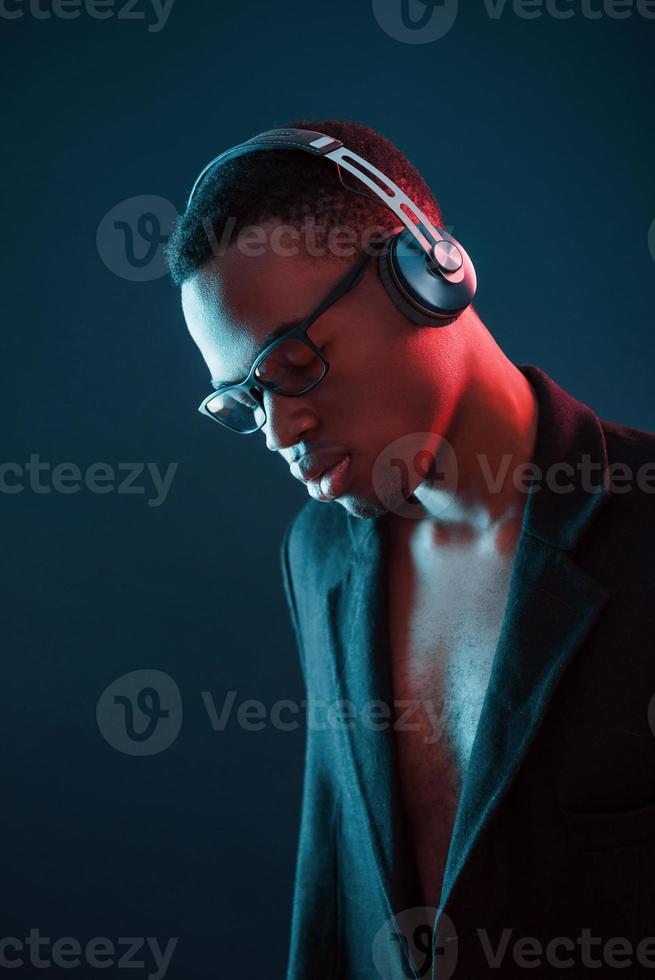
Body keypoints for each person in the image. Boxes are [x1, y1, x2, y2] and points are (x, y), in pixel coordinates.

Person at [165, 119, 655, 979]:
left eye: (293, 364)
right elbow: (334, 886)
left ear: (426, 276)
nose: (281, 431)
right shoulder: (317, 554)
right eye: (244, 401)